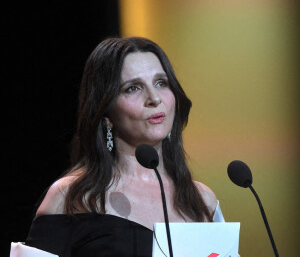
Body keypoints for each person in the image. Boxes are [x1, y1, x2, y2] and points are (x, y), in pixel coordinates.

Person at [25, 36, 219, 257]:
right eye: (132, 88)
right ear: (105, 112)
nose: (154, 98)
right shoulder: (71, 198)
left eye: (161, 83)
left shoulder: (202, 201)